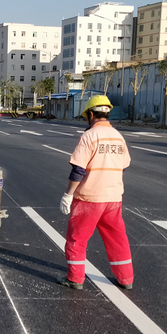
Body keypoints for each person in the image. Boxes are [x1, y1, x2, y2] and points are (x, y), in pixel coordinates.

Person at [58, 95, 134, 290]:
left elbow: (79, 170)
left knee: (77, 239)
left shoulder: (90, 136)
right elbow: (123, 166)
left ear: (90, 114)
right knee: (117, 239)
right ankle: (126, 279)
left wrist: (68, 194)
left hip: (89, 198)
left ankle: (75, 278)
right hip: (113, 197)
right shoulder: (118, 136)